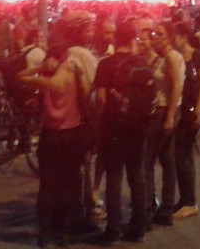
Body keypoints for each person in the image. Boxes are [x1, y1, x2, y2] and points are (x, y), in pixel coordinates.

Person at [20, 43, 92, 247]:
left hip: (50, 136)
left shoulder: (47, 81)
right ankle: (65, 232)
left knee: (47, 186)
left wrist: (40, 69)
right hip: (72, 134)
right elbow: (86, 99)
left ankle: (44, 233)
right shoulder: (73, 76)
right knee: (69, 185)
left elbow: (20, 77)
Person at [92, 20, 149, 245]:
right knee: (137, 177)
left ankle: (113, 230)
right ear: (133, 39)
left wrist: (100, 124)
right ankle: (138, 228)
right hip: (139, 128)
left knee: (114, 178)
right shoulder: (142, 62)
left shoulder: (106, 64)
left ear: (116, 39)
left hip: (114, 128)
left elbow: (102, 100)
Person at [143, 21, 183, 227]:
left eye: (158, 34)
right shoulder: (163, 57)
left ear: (168, 36)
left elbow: (176, 86)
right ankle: (164, 208)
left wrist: (169, 115)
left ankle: (151, 205)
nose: (155, 37)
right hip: (164, 111)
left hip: (163, 111)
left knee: (148, 160)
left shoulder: (171, 57)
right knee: (167, 160)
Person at [172, 22, 200, 219]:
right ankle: (185, 199)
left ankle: (190, 201)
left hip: (191, 112)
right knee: (182, 156)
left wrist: (198, 112)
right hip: (182, 111)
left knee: (183, 155)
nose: (172, 40)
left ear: (183, 36)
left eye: (175, 36)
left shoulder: (197, 55)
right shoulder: (179, 57)